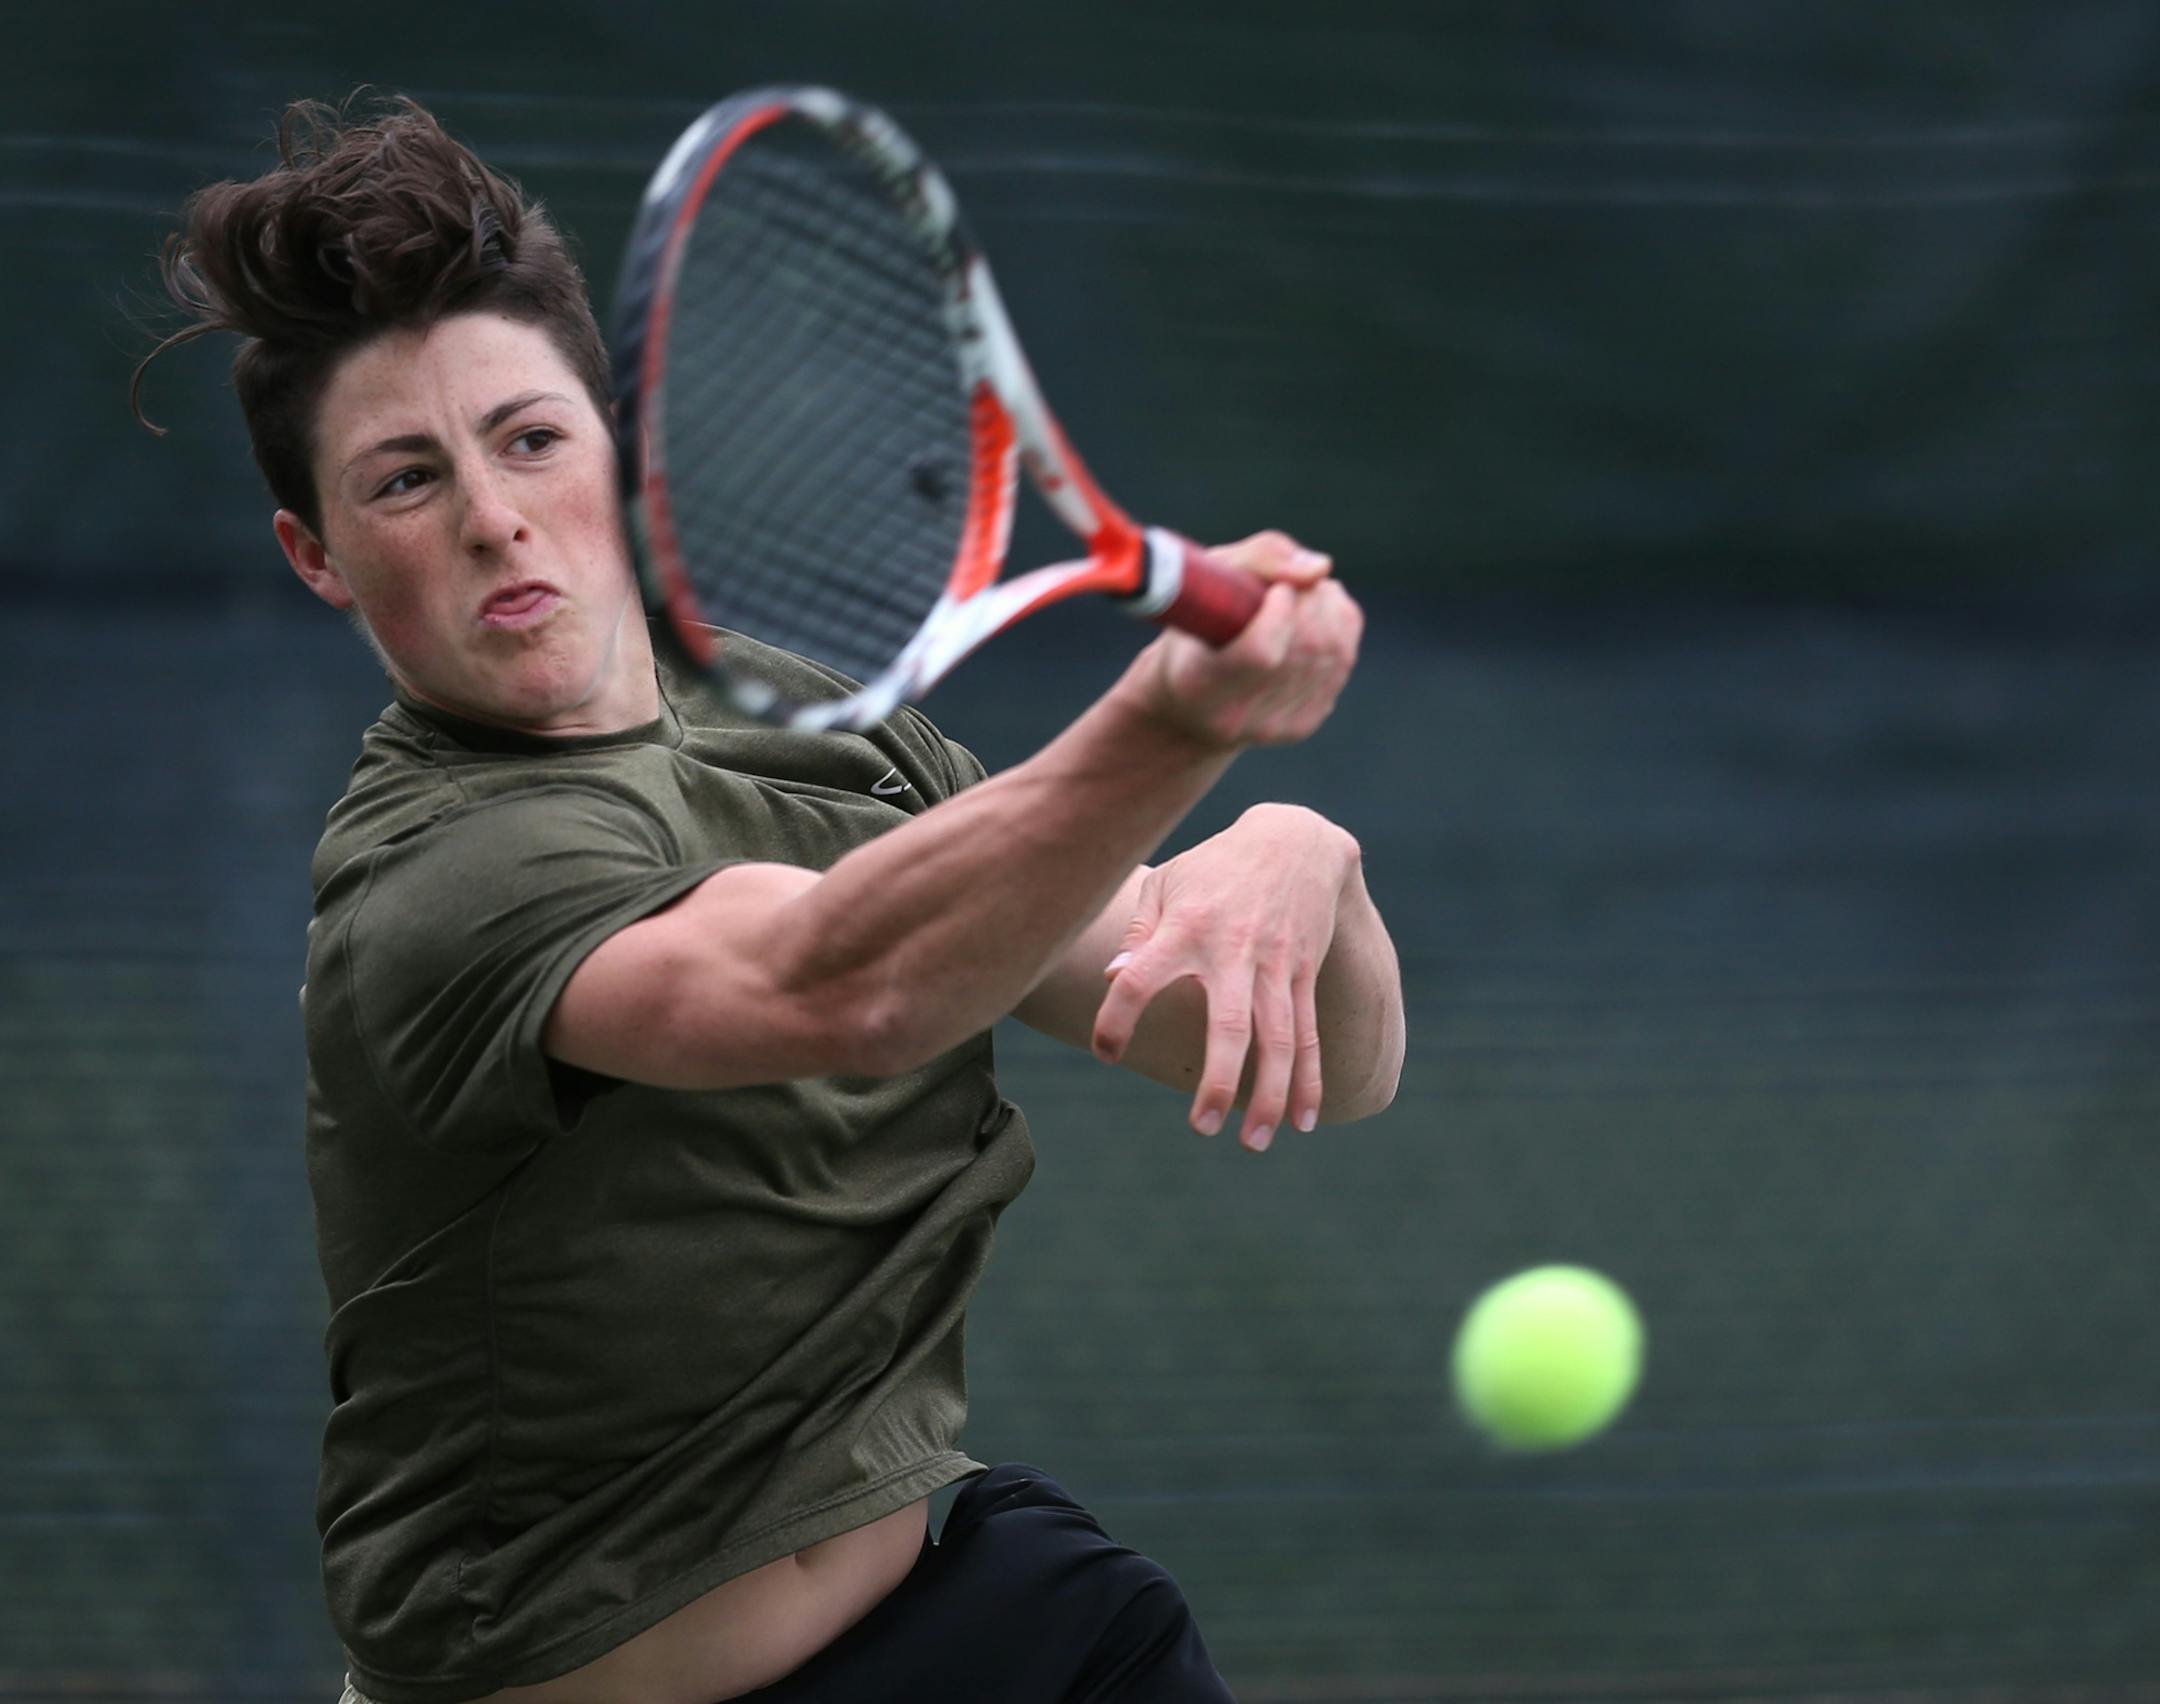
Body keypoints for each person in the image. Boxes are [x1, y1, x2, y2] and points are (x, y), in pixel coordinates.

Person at [136, 95, 1404, 1704]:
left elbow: (1335, 1067)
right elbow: (832, 990)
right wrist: (1181, 723)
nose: (491, 515)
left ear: (612, 442)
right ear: (316, 557)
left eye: (529, 437)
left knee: (1095, 1605)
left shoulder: (828, 728)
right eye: (403, 479)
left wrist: (1302, 855)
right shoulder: (437, 878)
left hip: (960, 1614)